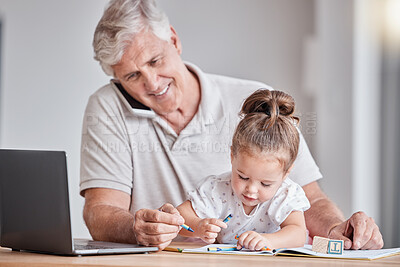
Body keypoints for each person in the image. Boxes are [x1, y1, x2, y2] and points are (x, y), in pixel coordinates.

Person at [80, 0, 383, 251]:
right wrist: (138, 229)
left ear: (174, 40)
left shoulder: (256, 105)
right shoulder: (107, 107)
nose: (153, 83)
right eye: (132, 76)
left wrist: (336, 230)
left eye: (156, 61)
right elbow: (100, 212)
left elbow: (309, 199)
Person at [177, 89, 310, 250]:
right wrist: (199, 226)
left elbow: (298, 234)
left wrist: (268, 240)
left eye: (266, 184)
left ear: (286, 173)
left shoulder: (286, 194)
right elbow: (180, 215)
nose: (251, 190)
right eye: (243, 177)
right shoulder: (217, 188)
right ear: (232, 156)